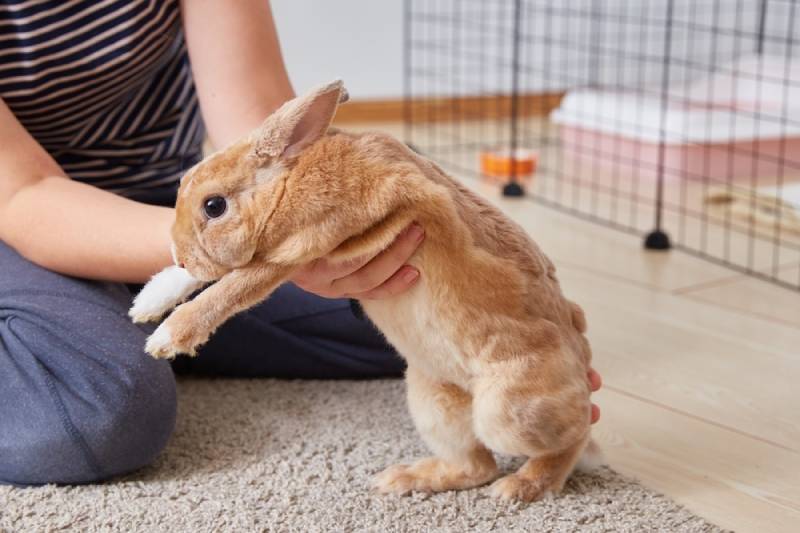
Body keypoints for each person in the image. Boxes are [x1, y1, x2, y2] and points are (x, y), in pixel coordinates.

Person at [0, 0, 602, 486]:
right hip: (26, 219)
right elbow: (23, 195)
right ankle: (97, 333)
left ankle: (114, 327)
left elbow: (261, 132)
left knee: (408, 295)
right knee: (95, 415)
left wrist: (521, 340)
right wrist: (207, 252)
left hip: (176, 198)